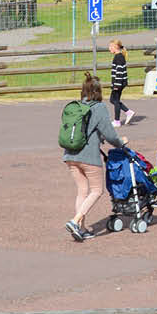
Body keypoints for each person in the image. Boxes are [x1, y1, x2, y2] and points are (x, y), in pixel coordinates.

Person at [62, 72, 126, 241]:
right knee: (97, 190)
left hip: (70, 154)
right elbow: (110, 134)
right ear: (99, 92)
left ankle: (81, 228)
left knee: (82, 191)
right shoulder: (99, 108)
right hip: (89, 157)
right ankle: (76, 221)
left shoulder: (77, 107)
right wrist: (121, 143)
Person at [108, 40, 134, 126]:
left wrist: (116, 85)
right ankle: (128, 112)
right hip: (119, 83)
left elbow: (119, 72)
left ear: (116, 47)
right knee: (113, 100)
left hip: (119, 83)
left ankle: (117, 121)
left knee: (115, 101)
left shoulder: (118, 57)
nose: (109, 49)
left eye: (111, 47)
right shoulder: (118, 56)